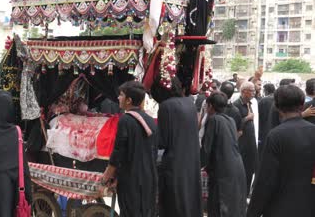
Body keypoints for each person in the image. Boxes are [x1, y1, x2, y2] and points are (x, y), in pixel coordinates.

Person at [247, 85, 315, 217]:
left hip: (280, 207)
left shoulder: (276, 135)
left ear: (277, 107)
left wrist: (253, 212)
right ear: (302, 105)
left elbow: (266, 179)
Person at [102, 81, 157, 216]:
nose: (118, 98)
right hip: (149, 179)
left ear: (129, 100)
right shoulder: (151, 121)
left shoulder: (125, 120)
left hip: (131, 180)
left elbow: (118, 152)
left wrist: (107, 176)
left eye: (121, 95)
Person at [151, 77, 203, 217]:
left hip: (174, 162)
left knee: (173, 203)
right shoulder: (189, 102)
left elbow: (163, 141)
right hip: (191, 160)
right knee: (189, 198)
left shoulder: (166, 106)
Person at [201, 92, 247, 217]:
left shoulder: (214, 120)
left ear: (210, 106)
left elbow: (207, 148)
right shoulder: (230, 119)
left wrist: (199, 165)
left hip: (223, 168)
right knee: (233, 205)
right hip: (236, 165)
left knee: (220, 205)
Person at [233, 82, 258, 196]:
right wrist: (246, 118)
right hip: (241, 144)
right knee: (241, 171)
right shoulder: (236, 105)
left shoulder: (251, 104)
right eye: (251, 91)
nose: (254, 93)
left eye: (254, 90)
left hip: (251, 144)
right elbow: (234, 126)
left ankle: (246, 193)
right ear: (244, 91)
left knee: (250, 170)